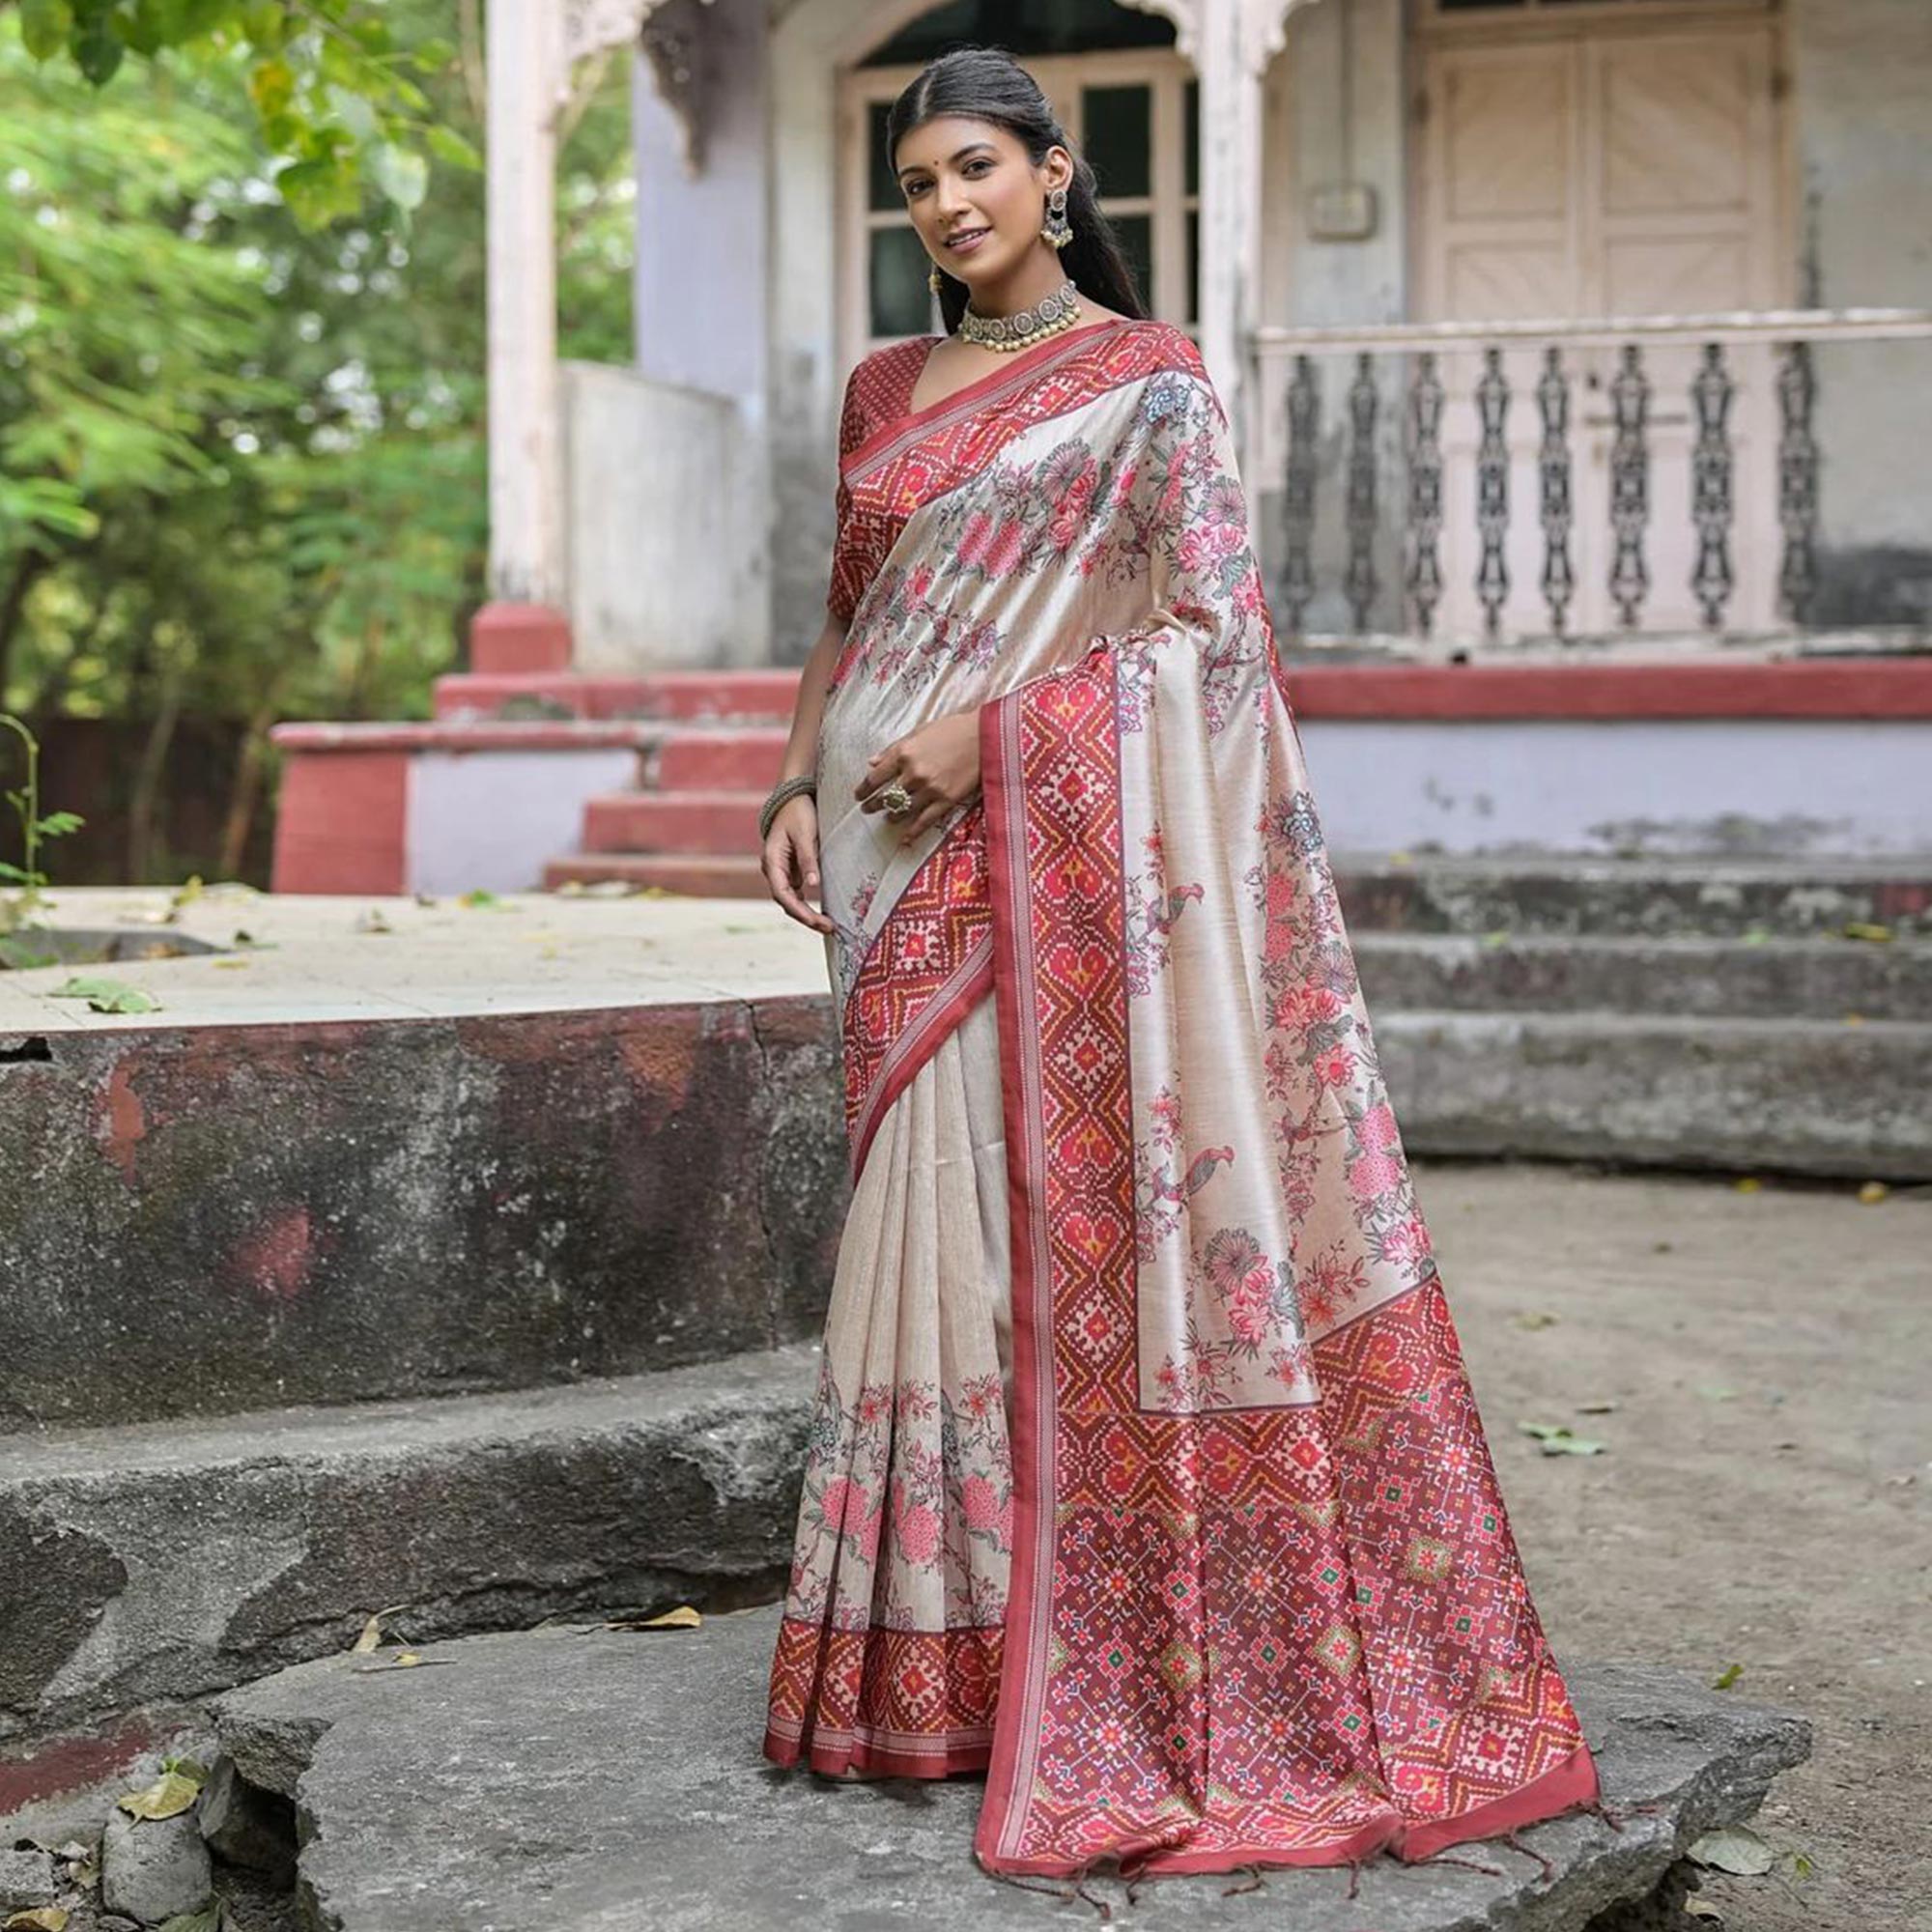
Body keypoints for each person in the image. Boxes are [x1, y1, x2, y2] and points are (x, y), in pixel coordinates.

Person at [755, 43, 1599, 1884]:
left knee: (985, 1215)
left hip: (1018, 835)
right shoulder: (884, 387)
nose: (947, 205)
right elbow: (845, 614)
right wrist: (789, 780)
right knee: (910, 1220)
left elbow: (1212, 642)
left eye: (977, 168)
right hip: (876, 847)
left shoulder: (1149, 387)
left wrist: (994, 739)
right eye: (918, 184)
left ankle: (1026, 1667)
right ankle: (922, 1657)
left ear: (1058, 178)